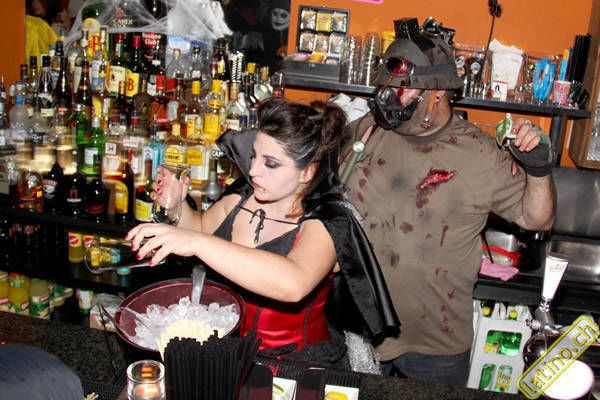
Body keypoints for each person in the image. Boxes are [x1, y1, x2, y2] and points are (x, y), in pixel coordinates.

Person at [340, 18, 556, 385]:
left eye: (402, 89)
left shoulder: (480, 154)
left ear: (437, 92)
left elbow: (537, 220)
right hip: (358, 329)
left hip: (435, 342)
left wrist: (537, 168)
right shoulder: (367, 131)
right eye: (385, 87)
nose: (387, 98)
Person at [127, 98, 399, 369]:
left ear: (307, 172)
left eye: (271, 163)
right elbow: (200, 229)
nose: (253, 170)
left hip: (298, 365)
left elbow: (293, 283)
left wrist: (198, 243)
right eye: (254, 156)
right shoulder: (241, 199)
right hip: (231, 354)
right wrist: (177, 207)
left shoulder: (327, 221)